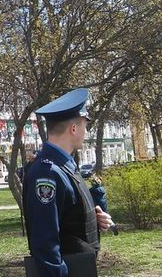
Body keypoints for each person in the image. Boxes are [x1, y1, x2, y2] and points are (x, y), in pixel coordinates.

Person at [23, 88, 114, 276]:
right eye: (85, 125)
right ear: (74, 128)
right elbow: (45, 242)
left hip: (81, 266)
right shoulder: (47, 173)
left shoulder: (64, 165)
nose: (86, 131)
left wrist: (91, 219)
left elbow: (65, 218)